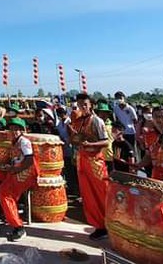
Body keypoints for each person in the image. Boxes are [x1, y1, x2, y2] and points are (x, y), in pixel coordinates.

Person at [68, 93, 109, 240]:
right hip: (82, 160)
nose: (82, 107)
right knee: (88, 196)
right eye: (79, 105)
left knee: (101, 194)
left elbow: (105, 142)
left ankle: (108, 224)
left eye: (84, 104)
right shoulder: (79, 122)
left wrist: (90, 144)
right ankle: (98, 225)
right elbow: (75, 140)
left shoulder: (97, 121)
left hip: (95, 161)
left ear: (90, 104)